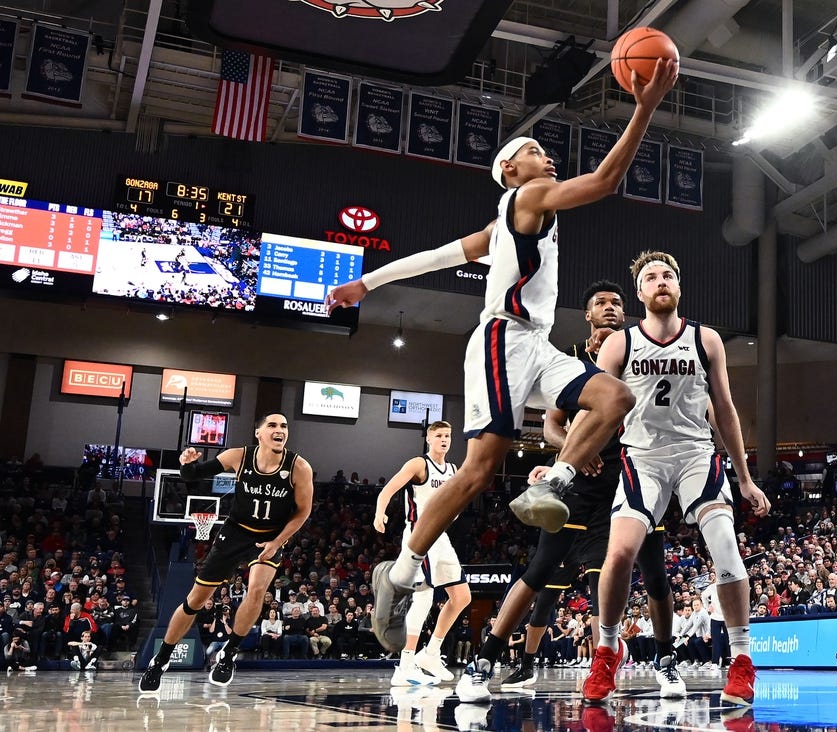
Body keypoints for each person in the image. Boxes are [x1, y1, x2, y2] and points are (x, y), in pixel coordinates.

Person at [325, 60, 679, 651]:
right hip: (500, 339)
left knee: (614, 396)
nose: (548, 156)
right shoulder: (529, 196)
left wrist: (370, 282)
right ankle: (404, 571)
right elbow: (605, 183)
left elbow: (437, 256)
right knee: (482, 469)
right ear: (511, 170)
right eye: (537, 149)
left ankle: (555, 481)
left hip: (535, 345)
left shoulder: (511, 222)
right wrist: (646, 106)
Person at [453, 282, 673, 702]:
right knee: (539, 569)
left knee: (653, 572)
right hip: (581, 481)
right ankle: (483, 662)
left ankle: (662, 663)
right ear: (587, 315)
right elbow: (552, 425)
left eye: (617, 304)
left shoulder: (642, 356)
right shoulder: (569, 361)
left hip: (633, 474)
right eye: (601, 304)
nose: (610, 309)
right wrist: (571, 448)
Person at [579, 251, 771, 707]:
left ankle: (742, 660)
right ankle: (607, 648)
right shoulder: (619, 343)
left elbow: (724, 409)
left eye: (667, 275)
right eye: (650, 277)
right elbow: (598, 408)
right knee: (621, 553)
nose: (660, 281)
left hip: (694, 454)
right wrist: (577, 452)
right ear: (640, 293)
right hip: (642, 457)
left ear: (679, 287)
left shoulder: (706, 340)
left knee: (724, 541)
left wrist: (745, 478)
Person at [138, 413, 314, 693]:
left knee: (257, 591)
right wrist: (186, 464)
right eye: (272, 425)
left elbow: (304, 511)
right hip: (235, 532)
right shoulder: (238, 456)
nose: (279, 430)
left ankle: (229, 655)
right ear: (258, 433)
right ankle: (160, 660)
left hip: (270, 536)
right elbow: (193, 476)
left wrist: (278, 541)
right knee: (197, 599)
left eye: (283, 426)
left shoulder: (299, 467)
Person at [372, 420, 471, 685]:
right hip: (420, 535)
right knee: (424, 598)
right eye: (439, 435)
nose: (444, 440)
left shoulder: (452, 468)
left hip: (442, 537)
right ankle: (405, 664)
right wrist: (380, 511)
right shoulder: (419, 464)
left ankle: (431, 652)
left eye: (448, 435)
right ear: (429, 439)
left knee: (461, 597)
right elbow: (388, 489)